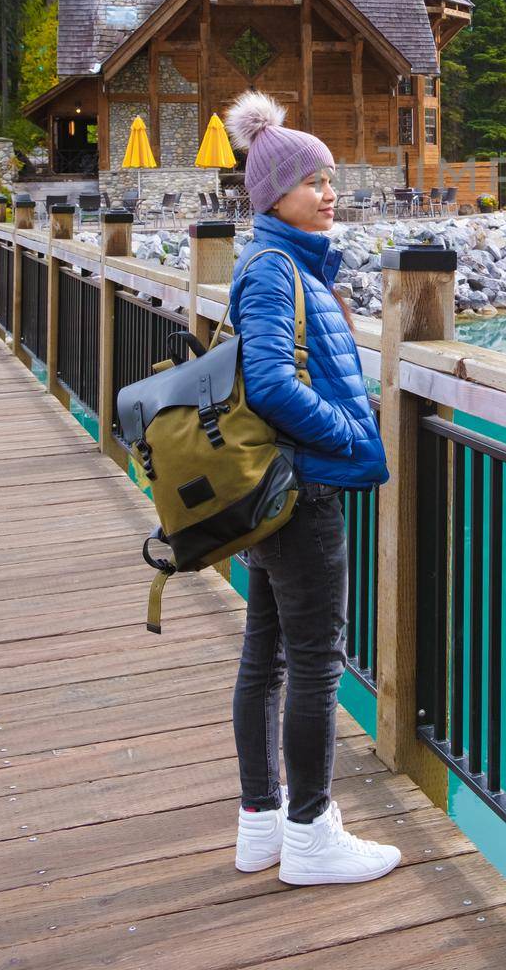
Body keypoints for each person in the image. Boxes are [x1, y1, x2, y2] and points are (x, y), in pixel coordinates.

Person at [223, 89, 399, 886]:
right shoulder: (272, 270)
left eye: (332, 180)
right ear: (273, 196)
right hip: (300, 494)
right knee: (315, 661)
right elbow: (266, 382)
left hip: (277, 492)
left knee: (266, 655)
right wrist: (349, 430)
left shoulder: (281, 262)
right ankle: (310, 835)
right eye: (316, 182)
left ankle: (262, 825)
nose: (332, 194)